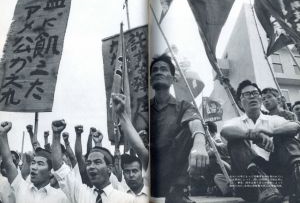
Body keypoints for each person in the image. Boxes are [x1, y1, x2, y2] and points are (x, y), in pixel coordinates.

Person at [221, 80, 300, 203]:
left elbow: (295, 127)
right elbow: (225, 131)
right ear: (239, 102)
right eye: (247, 94)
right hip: (250, 183)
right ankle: (263, 186)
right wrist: (252, 134)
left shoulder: (274, 119)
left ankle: (298, 174)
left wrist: (271, 132)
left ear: (260, 99)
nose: (252, 96)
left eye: (255, 93)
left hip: (279, 179)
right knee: (236, 142)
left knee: (286, 137)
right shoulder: (235, 122)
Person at [150, 54, 209, 203]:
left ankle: (177, 191)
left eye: (164, 69)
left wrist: (199, 146)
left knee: (190, 129)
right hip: (149, 169)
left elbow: (195, 122)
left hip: (172, 172)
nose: (158, 72)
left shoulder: (183, 106)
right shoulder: (143, 108)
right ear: (151, 80)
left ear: (172, 78)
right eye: (155, 70)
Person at [51, 120, 136, 203]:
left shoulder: (127, 199)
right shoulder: (81, 193)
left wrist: (98, 144)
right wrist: (56, 134)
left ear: (109, 168)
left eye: (97, 162)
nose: (91, 166)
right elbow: (59, 169)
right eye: (88, 163)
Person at [0, 121, 69, 203]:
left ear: (51, 172)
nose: (33, 167)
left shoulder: (61, 197)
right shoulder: (21, 187)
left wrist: (56, 135)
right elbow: (8, 163)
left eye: (40, 164)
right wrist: (3, 134)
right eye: (33, 163)